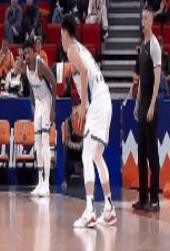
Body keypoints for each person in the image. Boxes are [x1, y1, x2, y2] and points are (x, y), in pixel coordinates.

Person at [61, 15, 117, 227]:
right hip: (105, 99)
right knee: (96, 156)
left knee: (86, 155)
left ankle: (90, 210)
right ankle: (109, 208)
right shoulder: (81, 48)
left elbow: (84, 72)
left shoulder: (71, 49)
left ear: (65, 32)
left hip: (98, 103)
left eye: (61, 34)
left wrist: (83, 106)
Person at [133, 6, 161, 212]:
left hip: (151, 107)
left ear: (151, 21)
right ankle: (142, 198)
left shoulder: (154, 46)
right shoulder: (142, 45)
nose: (143, 21)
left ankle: (155, 199)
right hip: (142, 107)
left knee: (152, 154)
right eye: (142, 18)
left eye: (146, 18)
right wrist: (137, 102)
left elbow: (156, 79)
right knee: (141, 154)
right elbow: (142, 79)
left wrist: (151, 105)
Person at [23, 39, 57, 197]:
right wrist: (33, 107)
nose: (27, 55)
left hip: (47, 101)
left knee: (45, 142)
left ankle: (47, 184)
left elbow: (54, 82)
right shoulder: (26, 68)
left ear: (33, 52)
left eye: (29, 52)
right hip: (38, 104)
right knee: (37, 143)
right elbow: (31, 87)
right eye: (25, 53)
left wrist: (53, 110)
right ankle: (40, 182)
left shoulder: (40, 65)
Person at [62, 100, 83, 190]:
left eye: (79, 109)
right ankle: (66, 180)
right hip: (72, 149)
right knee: (65, 149)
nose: (77, 111)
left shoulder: (84, 121)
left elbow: (86, 137)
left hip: (82, 149)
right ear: (72, 109)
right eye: (75, 109)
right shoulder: (68, 122)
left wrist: (80, 145)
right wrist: (75, 146)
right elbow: (67, 140)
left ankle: (87, 181)